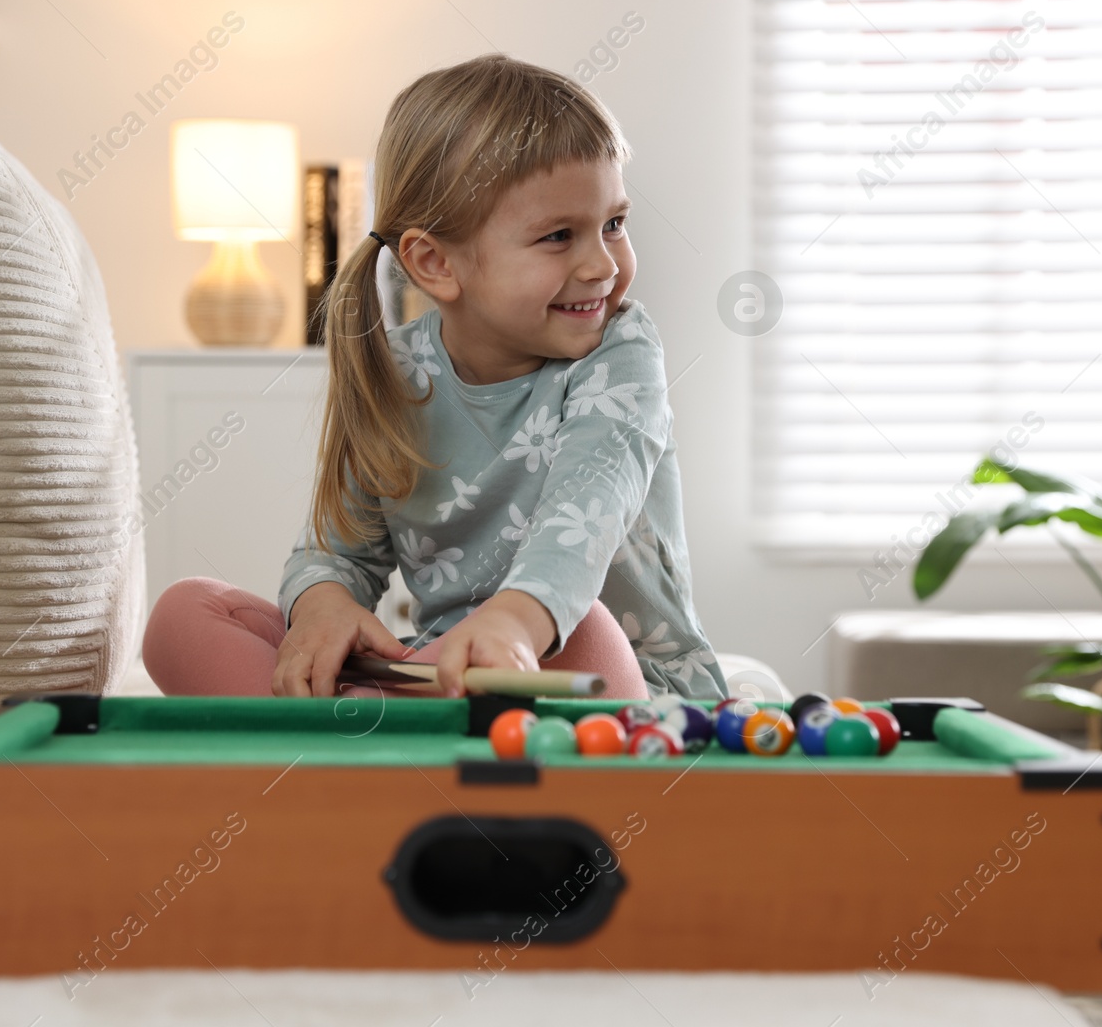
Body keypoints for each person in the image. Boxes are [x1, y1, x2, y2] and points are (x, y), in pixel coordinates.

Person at [142, 53, 727, 702]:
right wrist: (324, 606)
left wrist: (516, 619)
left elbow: (588, 508)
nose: (602, 265)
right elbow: (334, 552)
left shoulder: (621, 350)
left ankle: (353, 743)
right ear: (434, 262)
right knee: (185, 614)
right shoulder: (393, 373)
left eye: (614, 224)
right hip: (440, 675)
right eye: (560, 235)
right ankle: (368, 737)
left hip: (611, 677)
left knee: (587, 627)